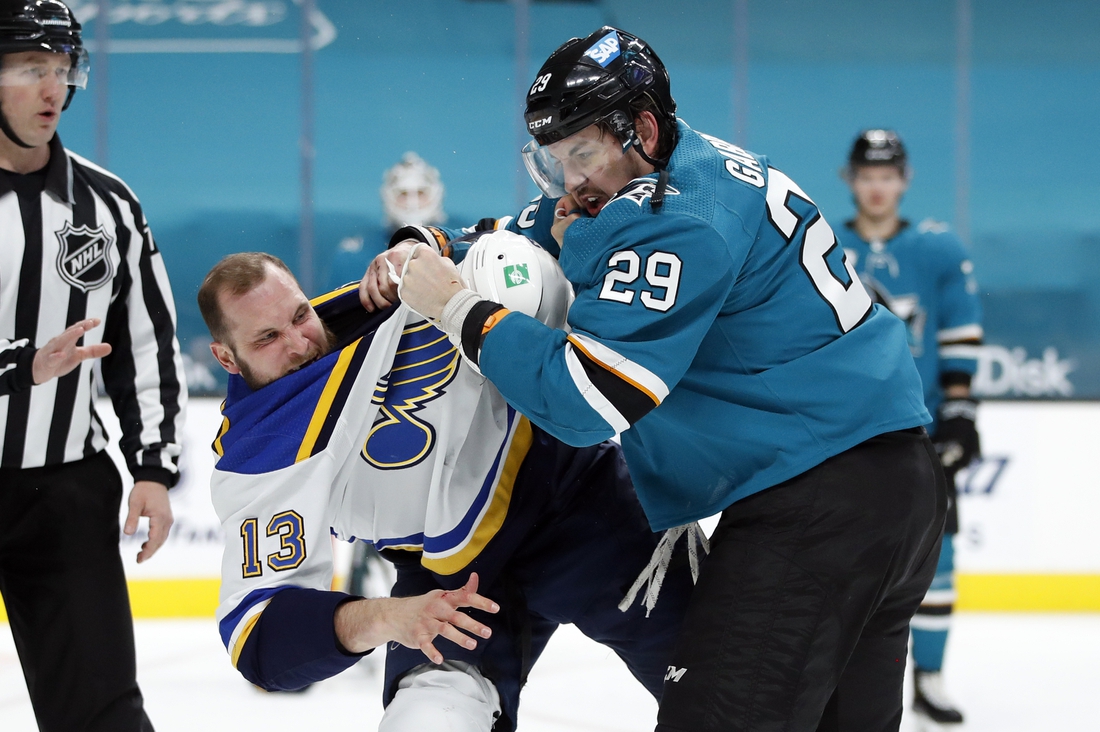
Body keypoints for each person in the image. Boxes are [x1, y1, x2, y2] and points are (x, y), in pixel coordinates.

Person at [383, 26, 947, 732]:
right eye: (556, 161)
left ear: (642, 128)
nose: (572, 183)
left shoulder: (678, 220)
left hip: (816, 508)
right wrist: (432, 242)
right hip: (890, 490)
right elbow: (546, 220)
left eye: (582, 154)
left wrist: (458, 307)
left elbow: (588, 399)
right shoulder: (697, 166)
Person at [199, 239, 694, 732]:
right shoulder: (256, 460)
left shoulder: (379, 298)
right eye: (267, 338)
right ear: (226, 358)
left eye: (300, 315)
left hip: (581, 505)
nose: (300, 342)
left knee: (729, 691)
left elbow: (502, 247)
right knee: (427, 721)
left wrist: (425, 244)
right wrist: (391, 618)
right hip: (447, 585)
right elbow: (258, 638)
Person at [0, 2, 187, 731]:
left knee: (103, 714)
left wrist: (153, 467)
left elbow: (145, 343)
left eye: (60, 70)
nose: (52, 90)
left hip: (64, 493)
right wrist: (18, 369)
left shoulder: (107, 205)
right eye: (28, 70)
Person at [836, 129, 982, 728]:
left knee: (938, 552)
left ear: (905, 181)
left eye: (888, 176)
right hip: (844, 429)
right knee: (841, 555)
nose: (877, 187)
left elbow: (960, 332)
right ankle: (842, 674)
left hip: (917, 429)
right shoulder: (823, 242)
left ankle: (930, 676)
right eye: (867, 176)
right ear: (851, 179)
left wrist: (960, 409)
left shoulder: (939, 249)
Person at [326, 151, 448, 291]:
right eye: (403, 194)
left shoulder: (458, 246)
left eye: (421, 193)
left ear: (436, 195)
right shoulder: (352, 256)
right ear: (387, 196)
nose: (412, 203)